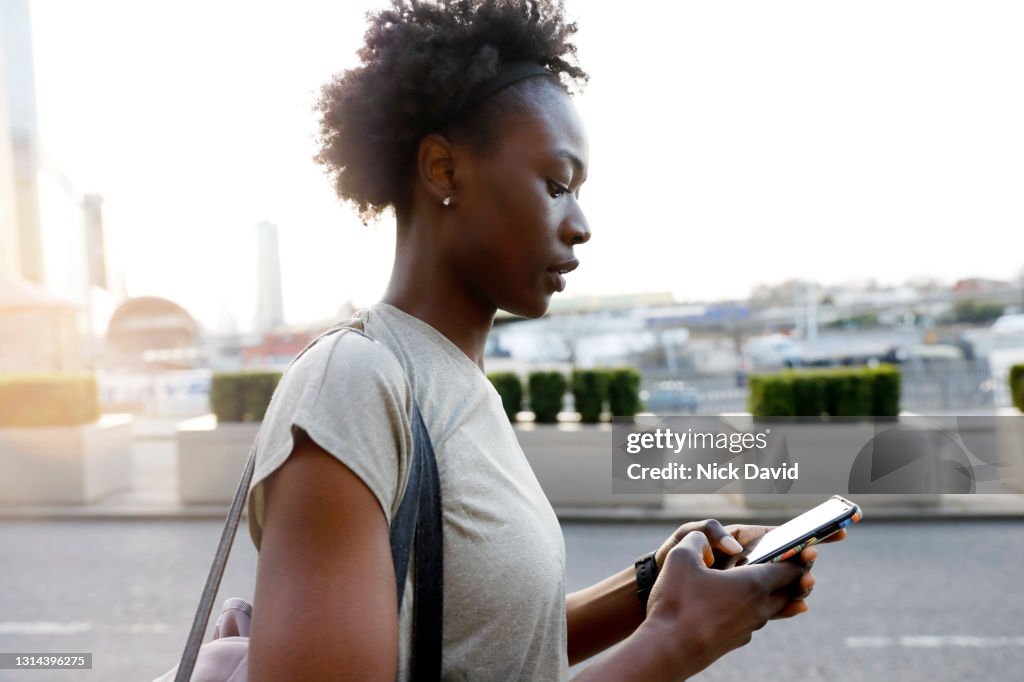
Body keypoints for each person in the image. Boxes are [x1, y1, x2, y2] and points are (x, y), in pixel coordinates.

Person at [245, 1, 841, 679]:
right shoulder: (354, 384)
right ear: (444, 170)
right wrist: (675, 641)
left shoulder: (458, 386)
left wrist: (650, 586)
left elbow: (490, 648)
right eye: (558, 185)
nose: (581, 224)